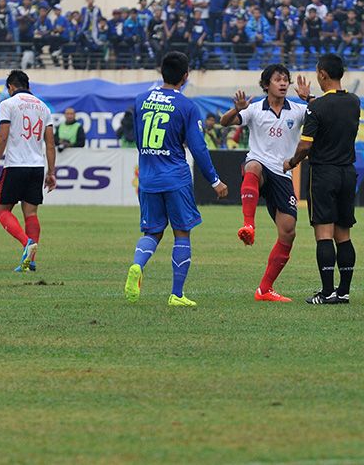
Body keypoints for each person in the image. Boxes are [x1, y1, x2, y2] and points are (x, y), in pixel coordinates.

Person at [123, 52, 228, 308]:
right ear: (186, 76)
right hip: (175, 177)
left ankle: (137, 265)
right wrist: (215, 180)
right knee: (181, 233)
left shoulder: (141, 100)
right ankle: (176, 294)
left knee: (152, 231)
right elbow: (198, 148)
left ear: (162, 72)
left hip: (148, 177)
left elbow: (138, 138)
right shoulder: (186, 106)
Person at [219, 64, 307, 302]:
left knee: (288, 232)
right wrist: (236, 109)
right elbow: (225, 122)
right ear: (266, 85)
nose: (283, 83)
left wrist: (309, 99)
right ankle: (249, 225)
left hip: (283, 174)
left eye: (286, 80)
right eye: (278, 79)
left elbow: (323, 114)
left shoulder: (298, 110)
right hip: (260, 166)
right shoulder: (255, 109)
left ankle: (264, 289)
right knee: (253, 166)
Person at [283, 54, 360, 305]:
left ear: (322, 74)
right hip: (347, 173)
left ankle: (327, 292)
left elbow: (305, 146)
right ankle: (343, 292)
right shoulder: (354, 102)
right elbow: (332, 106)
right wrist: (309, 99)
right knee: (344, 235)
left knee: (324, 234)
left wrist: (291, 163)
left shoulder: (316, 109)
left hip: (324, 173)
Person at [0, 70, 56, 272]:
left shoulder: (8, 104)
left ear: (11, 87)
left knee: (2, 210)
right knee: (31, 213)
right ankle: (31, 261)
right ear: (28, 85)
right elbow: (50, 144)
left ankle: (27, 243)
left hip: (16, 165)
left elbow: (3, 136)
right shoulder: (43, 107)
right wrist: (51, 172)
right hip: (37, 167)